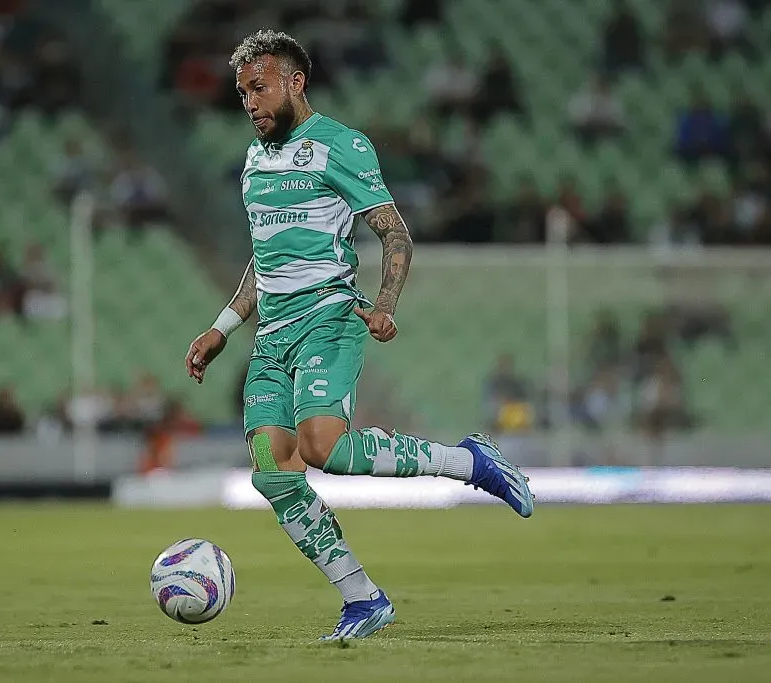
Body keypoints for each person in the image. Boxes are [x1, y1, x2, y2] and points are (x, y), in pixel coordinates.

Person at [183, 30, 534, 642]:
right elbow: (265, 261)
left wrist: (385, 305)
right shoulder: (255, 161)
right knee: (273, 472)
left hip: (330, 318)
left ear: (296, 82)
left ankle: (468, 462)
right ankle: (363, 599)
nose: (250, 104)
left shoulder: (340, 147)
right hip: (272, 338)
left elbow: (395, 234)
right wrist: (222, 327)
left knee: (322, 447)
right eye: (242, 95)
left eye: (259, 88)